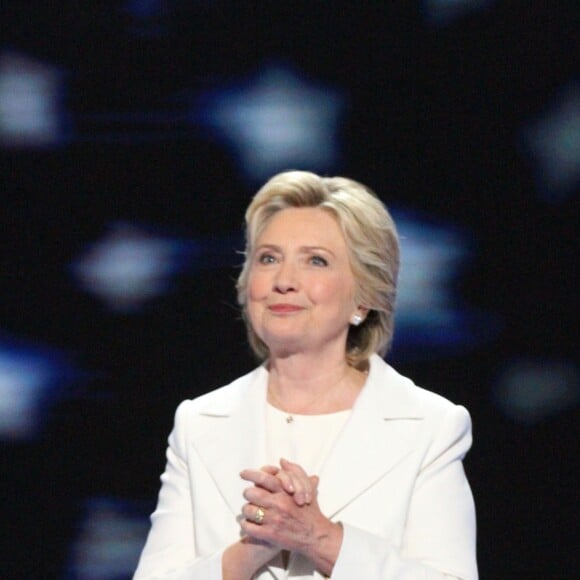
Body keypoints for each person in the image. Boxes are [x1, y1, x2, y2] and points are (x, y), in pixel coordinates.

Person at [134, 170, 478, 579]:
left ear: (364, 298)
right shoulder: (198, 422)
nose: (283, 281)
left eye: (316, 260)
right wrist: (257, 545)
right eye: (269, 258)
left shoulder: (431, 426)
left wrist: (316, 537)